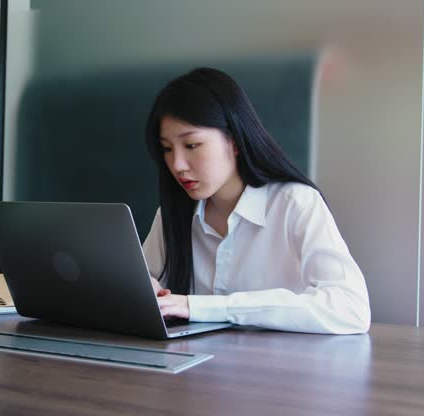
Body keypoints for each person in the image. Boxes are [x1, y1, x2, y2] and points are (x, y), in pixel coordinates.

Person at [143, 67, 370, 334]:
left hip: (283, 369)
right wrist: (147, 291)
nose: (177, 165)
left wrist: (204, 307)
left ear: (236, 141)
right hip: (192, 368)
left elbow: (351, 309)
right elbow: (141, 281)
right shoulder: (173, 213)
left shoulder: (294, 204)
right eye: (167, 149)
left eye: (192, 145)